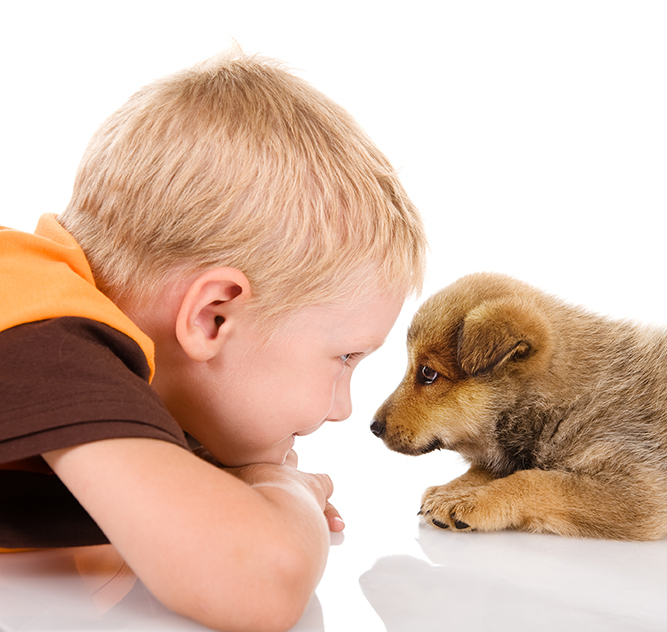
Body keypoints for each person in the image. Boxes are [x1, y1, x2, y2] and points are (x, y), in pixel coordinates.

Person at [0, 47, 426, 632]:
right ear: (212, 318)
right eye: (344, 358)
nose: (342, 408)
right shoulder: (41, 330)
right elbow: (256, 579)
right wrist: (284, 487)